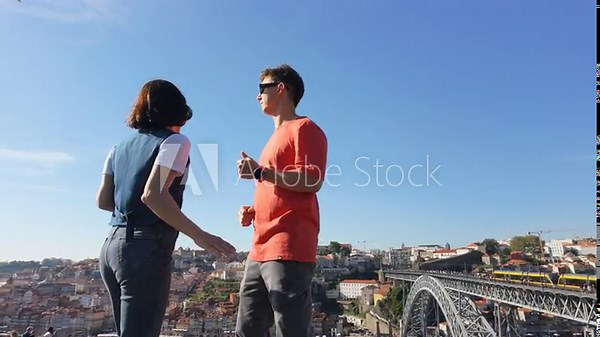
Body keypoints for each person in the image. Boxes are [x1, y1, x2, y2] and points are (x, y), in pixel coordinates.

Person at [97, 79, 236, 337]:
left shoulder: (117, 148)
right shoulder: (175, 142)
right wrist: (200, 236)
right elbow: (154, 195)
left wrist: (131, 212)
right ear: (177, 112)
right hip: (144, 249)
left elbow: (104, 201)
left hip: (110, 248)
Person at [235, 64, 328, 337]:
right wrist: (253, 211)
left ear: (280, 88)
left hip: (288, 248)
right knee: (247, 330)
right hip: (259, 249)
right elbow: (278, 187)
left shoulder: (305, 128)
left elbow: (313, 179)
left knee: (291, 331)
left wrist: (259, 171)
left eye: (261, 88)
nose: (257, 96)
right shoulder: (273, 139)